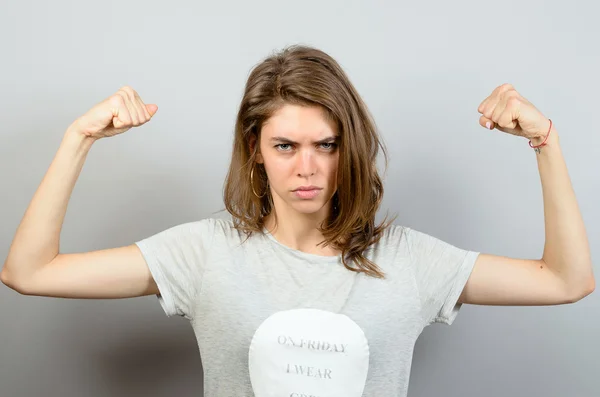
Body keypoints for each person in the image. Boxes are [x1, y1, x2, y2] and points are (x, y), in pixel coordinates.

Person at [1, 45, 595, 397]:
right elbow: (30, 271)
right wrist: (78, 139)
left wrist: (546, 142)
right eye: (285, 146)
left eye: (326, 144)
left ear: (350, 148)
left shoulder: (410, 261)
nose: (307, 168)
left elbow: (566, 281)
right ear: (255, 149)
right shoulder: (203, 253)